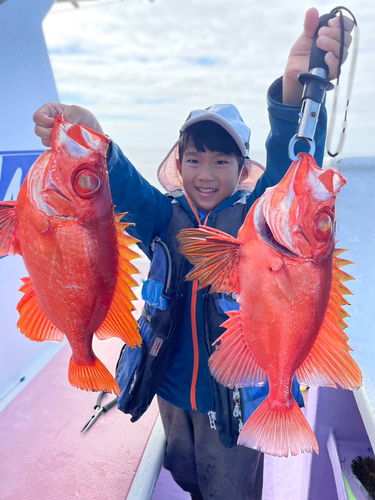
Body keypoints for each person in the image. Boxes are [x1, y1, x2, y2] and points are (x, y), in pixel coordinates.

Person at [33, 8, 354, 499]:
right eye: (194, 159)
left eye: (221, 160)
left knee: (229, 487)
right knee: (186, 472)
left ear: (242, 168)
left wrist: (295, 90)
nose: (206, 173)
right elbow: (121, 189)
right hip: (170, 394)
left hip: (231, 401)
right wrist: (94, 141)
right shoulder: (164, 219)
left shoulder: (257, 223)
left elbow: (292, 169)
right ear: (178, 165)